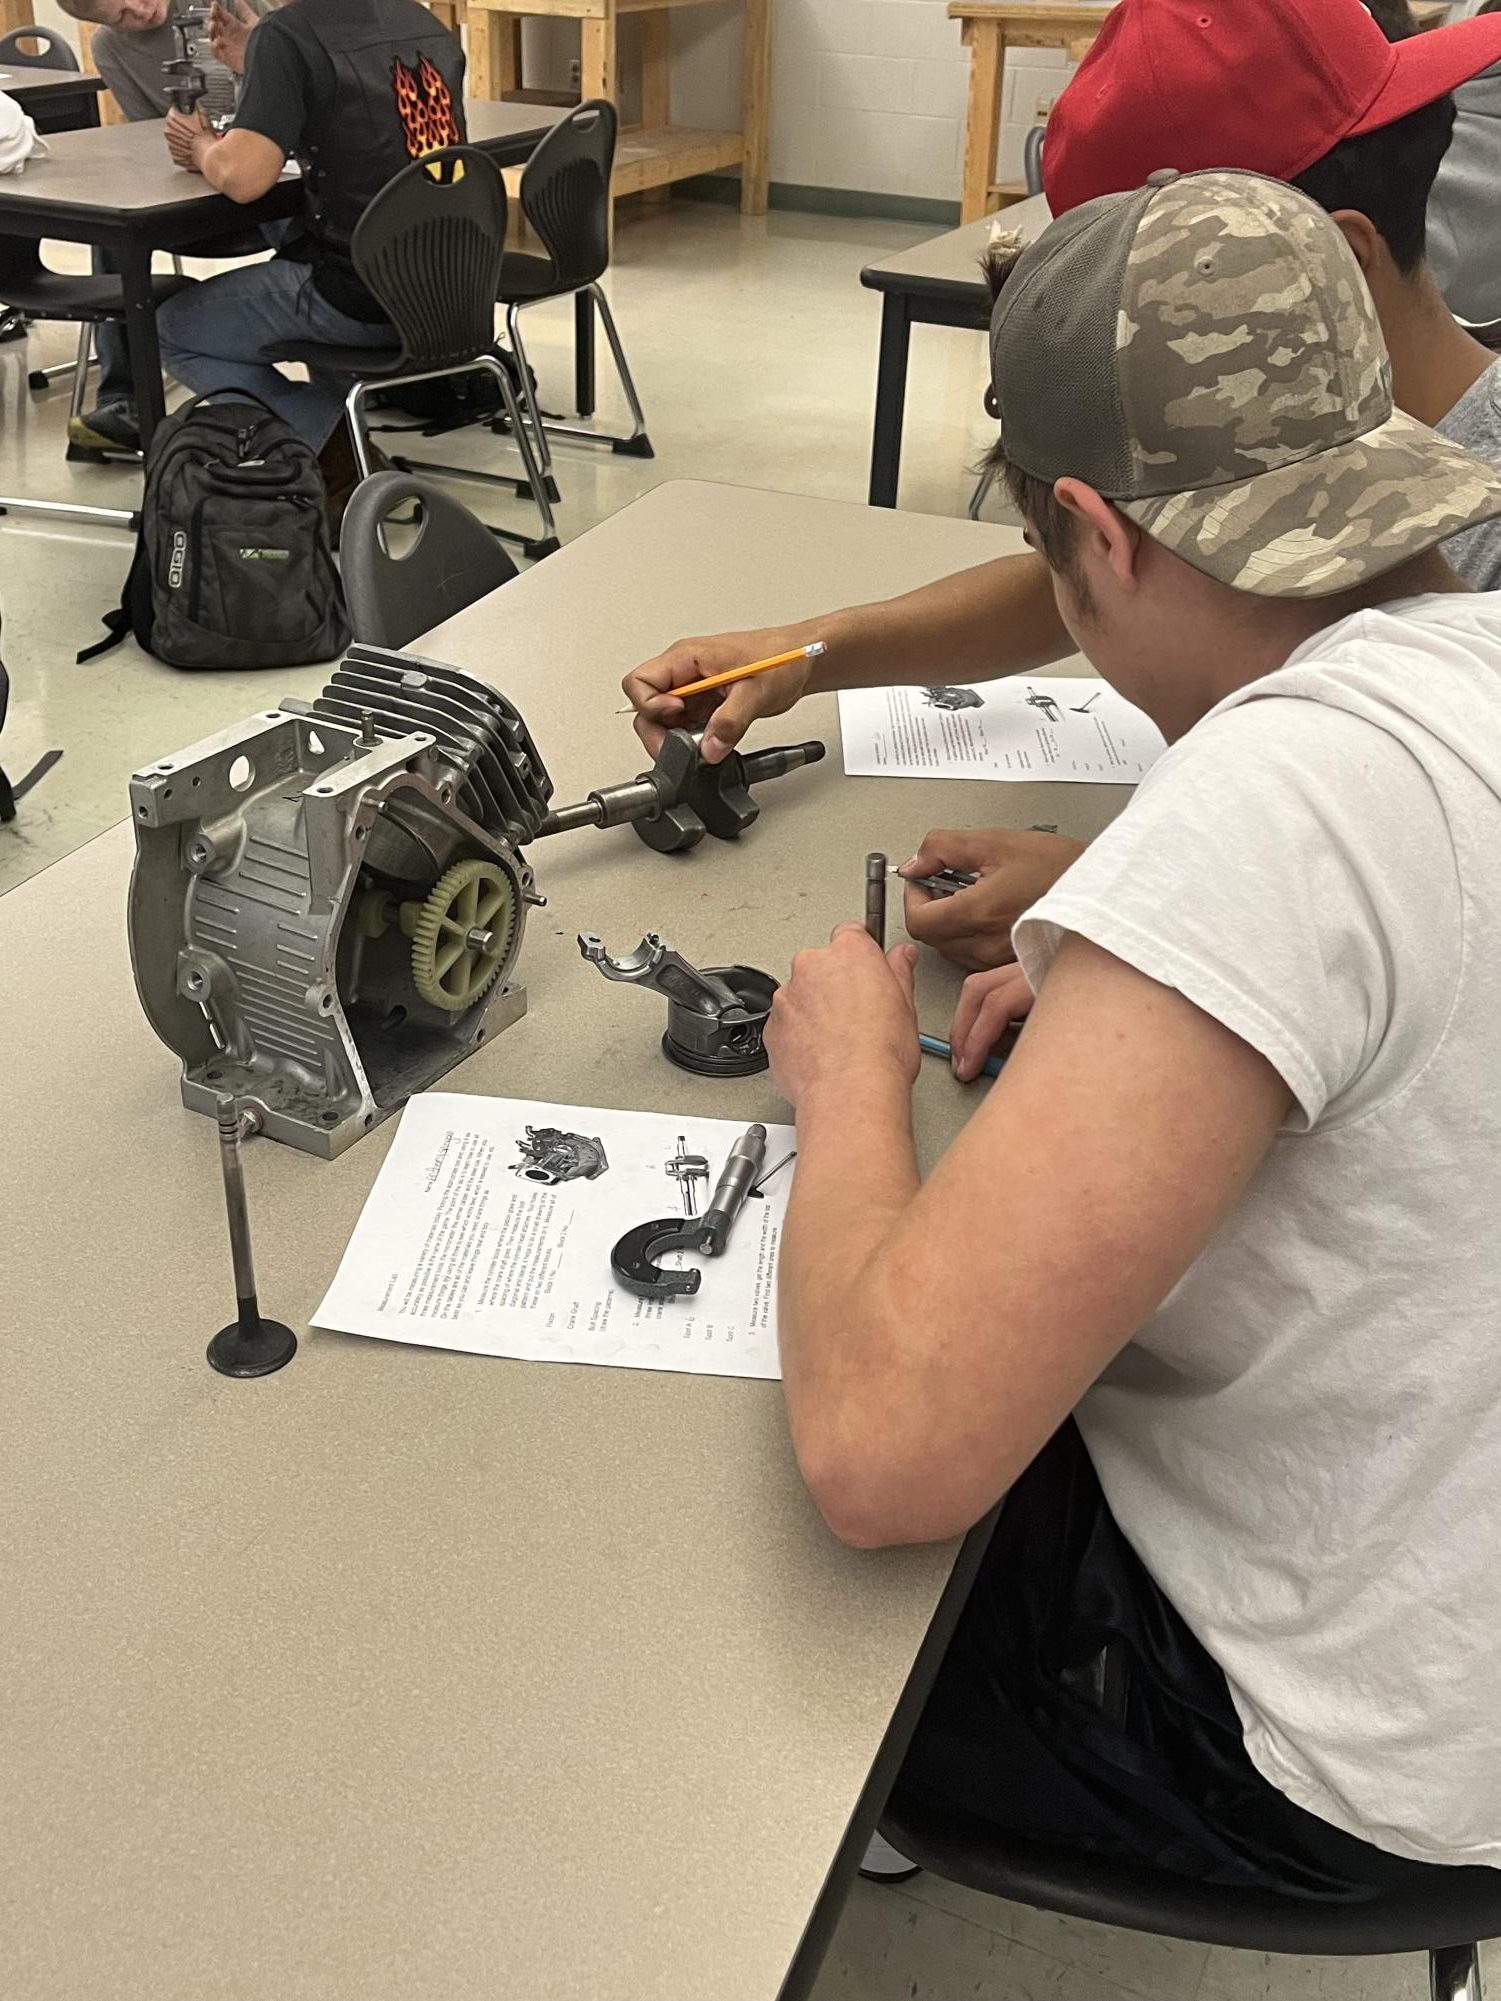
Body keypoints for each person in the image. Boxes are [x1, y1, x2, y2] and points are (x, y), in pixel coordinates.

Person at [766, 165, 1501, 1891]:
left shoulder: (1274, 799)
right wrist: (1139, 992)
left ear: (1094, 534)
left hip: (1338, 1763)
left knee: (753, 1511)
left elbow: (887, 1453)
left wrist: (852, 1077)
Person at [620, 0, 1501, 979]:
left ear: (1322, 269)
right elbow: (1094, 579)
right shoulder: (1291, 481)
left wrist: (1143, 903)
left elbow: (1445, 915)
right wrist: (810, 652)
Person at [152, 0, 465, 503]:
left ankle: (330, 442)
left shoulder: (289, 34)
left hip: (362, 294)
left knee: (166, 329)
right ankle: (345, 431)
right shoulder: (419, 17)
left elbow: (244, 178)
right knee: (287, 230)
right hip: (449, 285)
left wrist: (201, 147)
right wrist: (259, 62)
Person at [55, 0, 264, 452]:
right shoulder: (110, 48)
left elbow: (278, 73)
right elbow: (150, 134)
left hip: (264, 168)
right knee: (114, 230)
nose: (140, 10)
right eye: (121, 15)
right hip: (200, 181)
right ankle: (124, 397)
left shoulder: (221, 5)